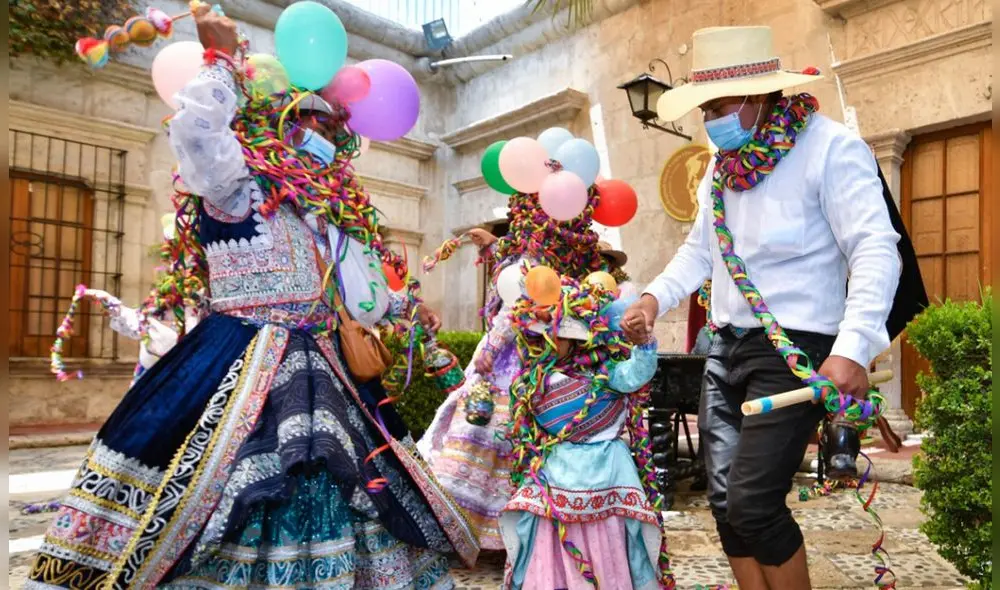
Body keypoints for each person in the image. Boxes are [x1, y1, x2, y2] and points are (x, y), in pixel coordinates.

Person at [26, 6, 477, 589]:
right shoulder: (235, 189)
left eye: (330, 129)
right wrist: (219, 63)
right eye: (306, 124)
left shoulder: (324, 217)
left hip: (327, 366)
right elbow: (196, 134)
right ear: (273, 125)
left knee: (347, 486)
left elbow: (357, 295)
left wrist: (403, 307)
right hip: (238, 359)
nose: (320, 138)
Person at [621, 26, 905, 590]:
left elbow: (875, 248)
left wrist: (853, 347)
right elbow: (698, 251)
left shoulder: (832, 149)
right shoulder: (720, 169)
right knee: (726, 504)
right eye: (705, 109)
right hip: (724, 349)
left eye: (718, 107)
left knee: (754, 503)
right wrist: (652, 298)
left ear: (759, 95)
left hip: (794, 350)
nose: (709, 120)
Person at [417, 192, 609, 551]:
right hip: (535, 357)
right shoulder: (553, 258)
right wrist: (493, 245)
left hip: (511, 361)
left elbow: (514, 308)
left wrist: (491, 348)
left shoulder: (532, 262)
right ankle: (506, 534)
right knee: (509, 438)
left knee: (489, 433)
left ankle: (472, 529)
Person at [500, 278, 672, 589]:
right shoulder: (532, 381)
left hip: (607, 471)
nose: (545, 343)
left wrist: (644, 345)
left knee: (607, 534)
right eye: (538, 337)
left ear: (575, 340)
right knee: (547, 532)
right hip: (557, 469)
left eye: (555, 336)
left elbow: (636, 374)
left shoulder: (604, 373)